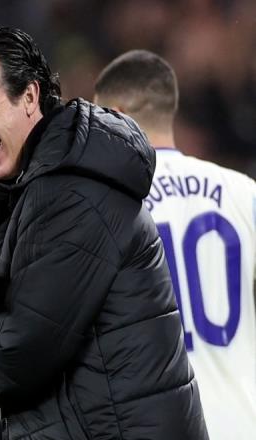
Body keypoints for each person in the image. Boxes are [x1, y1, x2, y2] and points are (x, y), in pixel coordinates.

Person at [0, 27, 208, 440]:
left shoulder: (73, 192)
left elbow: (25, 354)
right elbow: (4, 308)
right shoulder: (37, 183)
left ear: (29, 96)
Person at [94, 49, 256, 440]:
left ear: (118, 116)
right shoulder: (245, 192)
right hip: (244, 421)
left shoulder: (106, 209)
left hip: (160, 425)